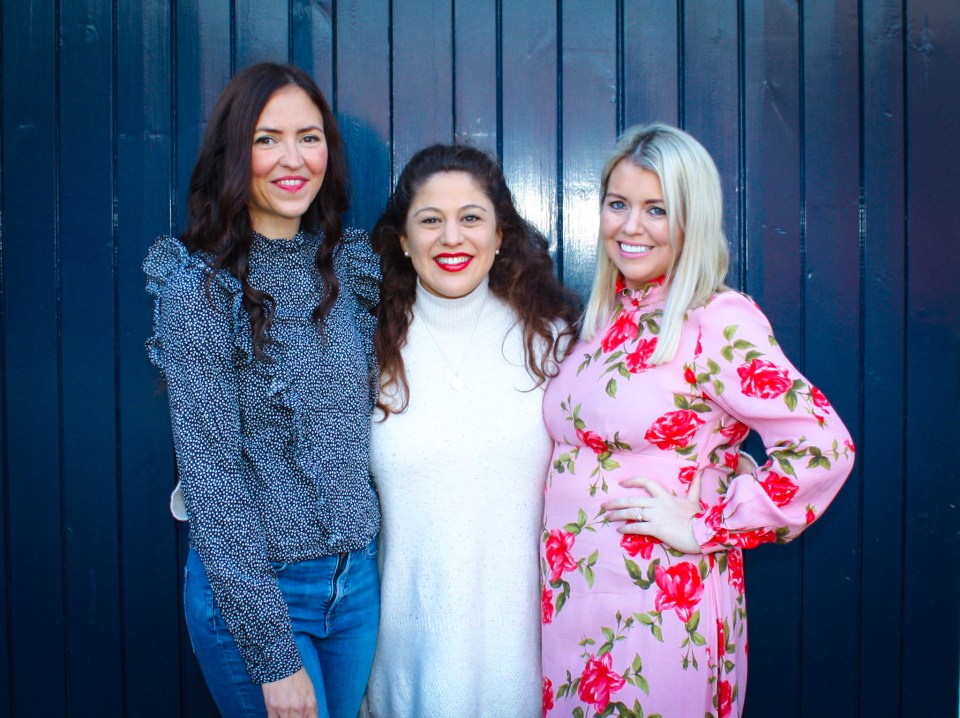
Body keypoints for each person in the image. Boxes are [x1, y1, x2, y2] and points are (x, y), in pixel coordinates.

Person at [539, 123, 855, 717]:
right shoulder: (604, 320)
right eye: (618, 205)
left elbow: (823, 446)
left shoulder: (718, 319)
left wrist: (710, 524)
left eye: (657, 209)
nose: (631, 227)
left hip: (658, 607)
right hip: (575, 606)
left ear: (693, 219)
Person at [143, 62, 380, 718]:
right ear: (233, 153)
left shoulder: (347, 268)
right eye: (267, 138)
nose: (292, 158)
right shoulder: (199, 290)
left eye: (309, 137)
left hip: (356, 586)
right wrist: (273, 655)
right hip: (262, 596)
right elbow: (213, 482)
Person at [363, 144, 580, 717]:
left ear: (501, 234)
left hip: (527, 662)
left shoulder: (555, 345)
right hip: (403, 662)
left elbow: (629, 439)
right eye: (430, 220)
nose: (451, 237)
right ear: (404, 242)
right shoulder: (363, 350)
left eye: (471, 218)